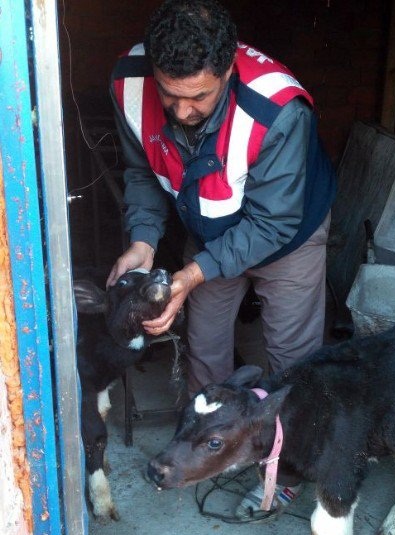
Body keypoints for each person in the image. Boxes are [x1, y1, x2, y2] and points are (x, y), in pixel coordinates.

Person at [107, 0, 336, 519]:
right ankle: (202, 450)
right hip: (211, 222)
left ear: (229, 71)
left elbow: (272, 223)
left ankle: (286, 470)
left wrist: (193, 272)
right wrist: (143, 241)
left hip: (289, 233)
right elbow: (142, 169)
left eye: (200, 98)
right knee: (206, 346)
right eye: (171, 93)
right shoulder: (129, 85)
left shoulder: (279, 111)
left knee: (292, 360)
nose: (183, 111)